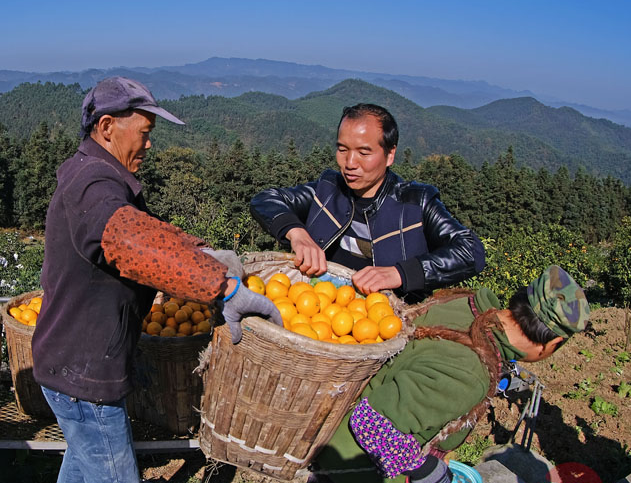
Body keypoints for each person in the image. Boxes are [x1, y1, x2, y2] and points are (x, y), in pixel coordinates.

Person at [31, 76, 281, 483]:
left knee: (82, 466)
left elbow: (141, 228)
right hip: (83, 373)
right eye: (144, 133)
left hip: (69, 363)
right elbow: (128, 239)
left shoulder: (95, 173)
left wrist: (197, 253)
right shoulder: (93, 183)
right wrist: (222, 286)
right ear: (107, 127)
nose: (150, 145)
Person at [310, 265, 590, 483]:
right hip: (352, 466)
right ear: (551, 344)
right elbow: (374, 426)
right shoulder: (470, 372)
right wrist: (431, 472)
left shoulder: (466, 304)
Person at [250, 103, 485, 302]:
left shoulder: (416, 204)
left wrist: (400, 274)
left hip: (390, 321)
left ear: (390, 154)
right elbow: (265, 200)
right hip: (323, 309)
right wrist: (298, 234)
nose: (350, 163)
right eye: (342, 149)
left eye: (364, 153)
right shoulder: (328, 191)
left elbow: (470, 251)